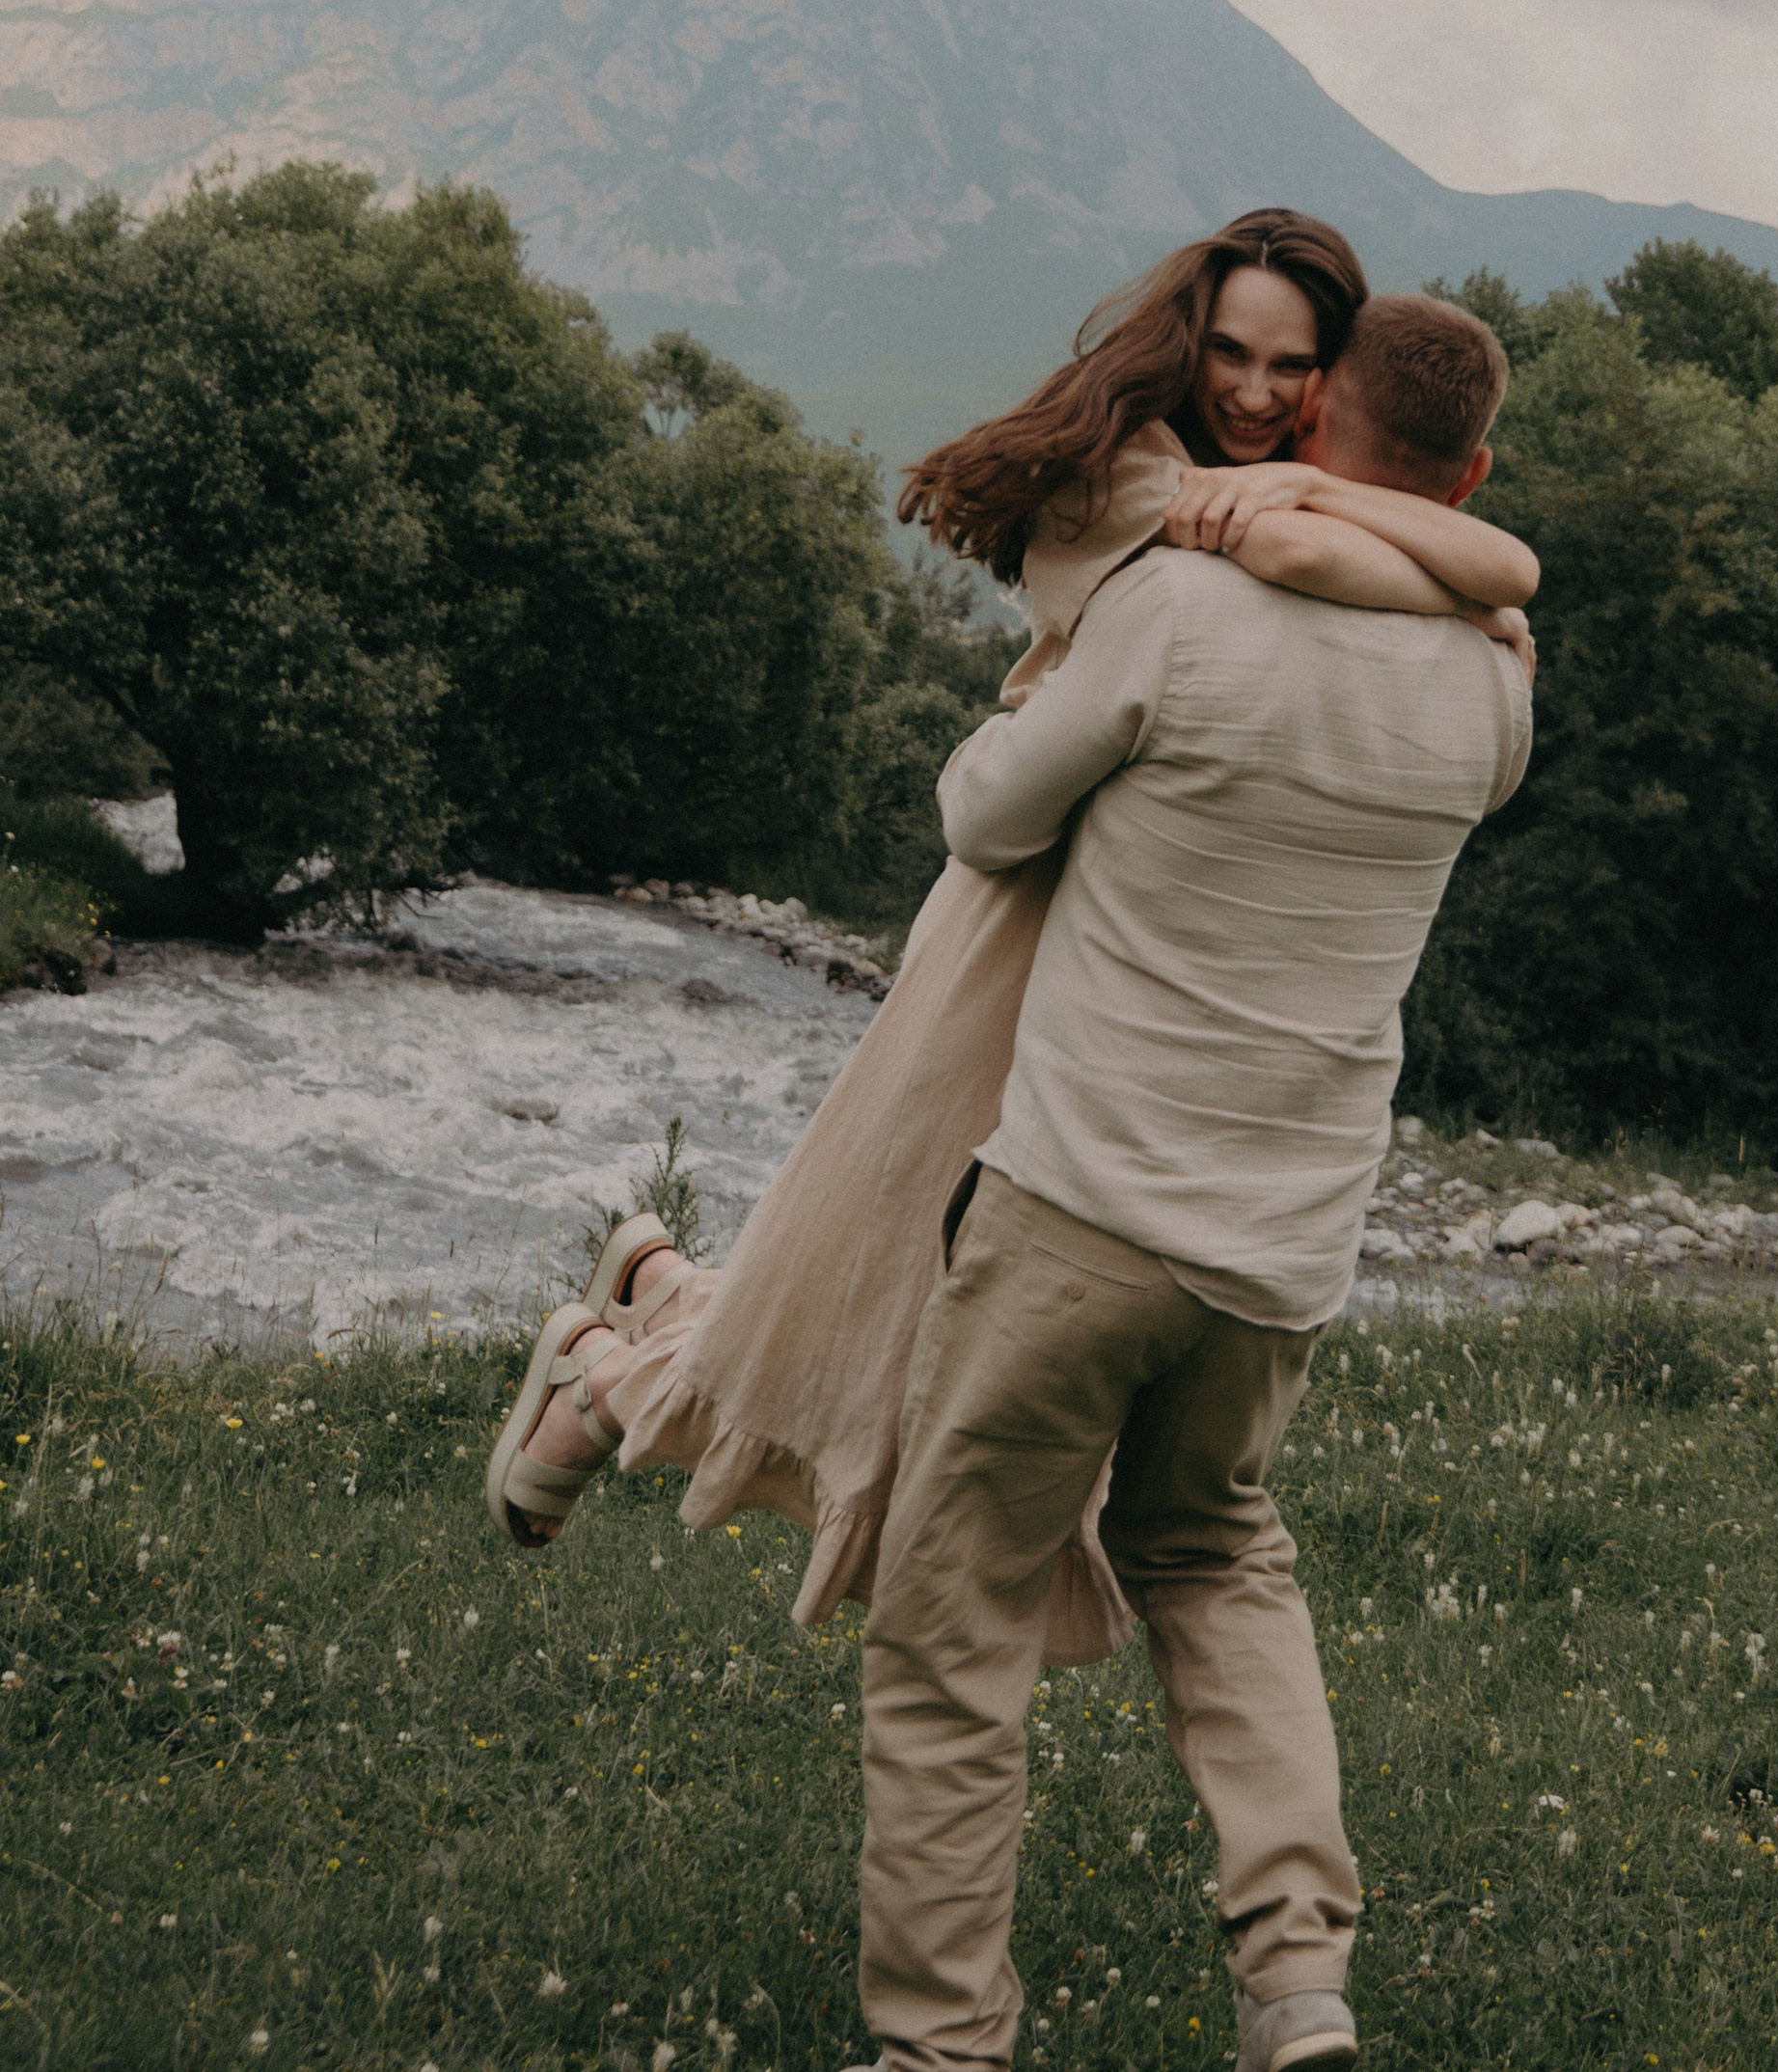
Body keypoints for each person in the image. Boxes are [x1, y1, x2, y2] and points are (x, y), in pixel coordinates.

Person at [484, 216, 1535, 1662]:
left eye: (1292, 370)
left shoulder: (1279, 493)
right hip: (1025, 917)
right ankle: (611, 1375)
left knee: (910, 1281)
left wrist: (1420, 550)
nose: (1251, 389)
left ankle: (645, 1318)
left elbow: (1504, 560)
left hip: (1133, 932)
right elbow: (1458, 564)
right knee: (898, 1277)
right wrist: (1449, 585)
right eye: (1228, 350)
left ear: (1333, 381)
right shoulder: (1142, 480)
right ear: (1184, 339)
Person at [850, 293, 1530, 2072]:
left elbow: (984, 816)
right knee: (1218, 1555)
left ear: (1305, 423)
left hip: (1078, 1202)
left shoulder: (1173, 604)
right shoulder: (1497, 686)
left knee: (951, 1624)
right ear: (1460, 476)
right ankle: (1298, 1983)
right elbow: (1488, 577)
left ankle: (940, 2047)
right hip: (1280, 1250)